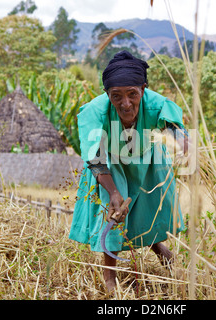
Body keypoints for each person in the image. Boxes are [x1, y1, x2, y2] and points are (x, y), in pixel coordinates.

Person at [68, 50, 188, 292]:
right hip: (108, 166)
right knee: (113, 212)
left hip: (146, 160)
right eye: (116, 96)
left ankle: (158, 247)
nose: (125, 103)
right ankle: (110, 277)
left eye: (132, 94)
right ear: (107, 94)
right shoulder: (95, 111)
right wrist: (112, 192)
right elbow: (95, 155)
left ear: (143, 88)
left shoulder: (156, 103)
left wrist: (184, 143)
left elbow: (174, 128)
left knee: (148, 207)